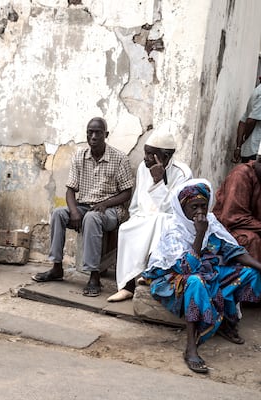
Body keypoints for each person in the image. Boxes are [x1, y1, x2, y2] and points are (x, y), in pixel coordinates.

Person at [143, 179, 261, 374]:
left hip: (208, 272)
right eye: (193, 207)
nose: (199, 212)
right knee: (195, 282)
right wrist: (199, 235)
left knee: (250, 274)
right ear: (182, 208)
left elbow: (232, 250)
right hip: (174, 280)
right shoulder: (174, 229)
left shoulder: (211, 223)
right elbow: (186, 268)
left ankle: (225, 321)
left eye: (203, 206)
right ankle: (191, 345)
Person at [32, 117, 134, 297]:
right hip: (84, 206)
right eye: (90, 132)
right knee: (58, 214)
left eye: (98, 133)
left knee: (92, 218)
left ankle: (94, 276)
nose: (93, 136)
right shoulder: (79, 156)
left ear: (106, 135)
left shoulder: (119, 159)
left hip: (110, 210)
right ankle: (56, 267)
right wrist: (73, 211)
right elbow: (70, 190)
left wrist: (104, 204)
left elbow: (127, 193)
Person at [107, 121, 192, 302]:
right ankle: (127, 285)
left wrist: (158, 181)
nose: (145, 158)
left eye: (150, 154)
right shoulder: (142, 167)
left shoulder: (183, 173)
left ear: (166, 155)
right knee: (127, 229)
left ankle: (149, 277)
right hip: (143, 218)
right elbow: (137, 202)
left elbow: (171, 209)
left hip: (168, 220)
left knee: (159, 224)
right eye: (145, 153)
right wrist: (135, 217)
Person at [213, 142, 261, 261]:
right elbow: (233, 217)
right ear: (259, 161)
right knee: (251, 239)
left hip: (255, 226)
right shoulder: (241, 174)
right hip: (229, 229)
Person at [231, 83, 261, 163]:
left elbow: (243, 121)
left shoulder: (256, 91)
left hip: (249, 150)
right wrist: (244, 138)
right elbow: (250, 120)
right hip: (255, 151)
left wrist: (239, 146)